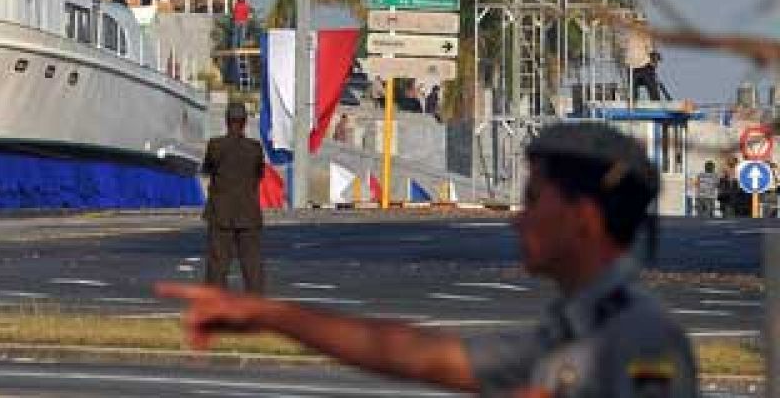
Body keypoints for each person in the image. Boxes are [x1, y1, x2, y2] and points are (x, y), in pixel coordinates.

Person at [160, 121, 698, 396]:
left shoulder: (639, 338)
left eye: (534, 202)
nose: (517, 218)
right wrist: (269, 316)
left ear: (584, 218)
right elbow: (414, 352)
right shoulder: (570, 331)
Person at [200, 103, 266, 292]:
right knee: (251, 262)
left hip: (221, 210)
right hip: (248, 211)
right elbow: (259, 174)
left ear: (226, 121)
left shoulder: (215, 145)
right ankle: (254, 303)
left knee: (218, 263)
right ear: (245, 123)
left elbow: (207, 170)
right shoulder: (254, 148)